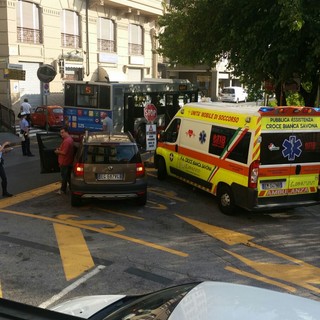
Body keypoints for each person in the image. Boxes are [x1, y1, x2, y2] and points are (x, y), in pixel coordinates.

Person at [55, 126, 74, 195]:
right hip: (68, 161)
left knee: (64, 177)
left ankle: (63, 190)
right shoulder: (70, 139)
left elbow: (64, 152)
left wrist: (57, 152)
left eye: (62, 132)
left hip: (64, 162)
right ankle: (72, 188)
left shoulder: (66, 141)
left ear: (66, 132)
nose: (61, 134)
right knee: (68, 177)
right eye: (60, 133)